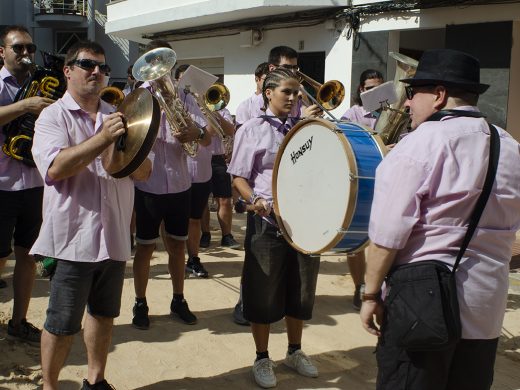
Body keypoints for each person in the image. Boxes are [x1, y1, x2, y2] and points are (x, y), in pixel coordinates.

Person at [360, 48, 520, 390]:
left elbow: (387, 236)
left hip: (422, 311)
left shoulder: (419, 145)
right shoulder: (509, 145)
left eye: (413, 94)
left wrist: (370, 294)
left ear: (439, 95)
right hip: (485, 309)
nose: (406, 104)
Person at [31, 40, 152, 390]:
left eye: (102, 66)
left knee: (104, 314)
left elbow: (143, 172)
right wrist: (102, 140)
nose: (96, 71)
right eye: (87, 64)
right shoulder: (52, 116)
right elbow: (55, 169)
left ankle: (95, 380)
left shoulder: (122, 114)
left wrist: (131, 154)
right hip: (73, 239)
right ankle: (50, 385)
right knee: (61, 322)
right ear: (67, 71)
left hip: (113, 235)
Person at [228, 67, 321, 388]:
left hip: (304, 224)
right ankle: (263, 357)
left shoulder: (307, 128)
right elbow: (239, 177)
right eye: (287, 92)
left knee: (302, 290)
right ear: (269, 93)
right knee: (262, 292)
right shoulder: (252, 129)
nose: (295, 98)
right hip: (266, 222)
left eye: (297, 92)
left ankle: (295, 351)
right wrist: (254, 199)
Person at [131, 40, 214, 330]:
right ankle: (140, 302)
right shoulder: (139, 98)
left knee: (178, 247)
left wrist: (196, 131)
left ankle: (178, 299)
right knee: (144, 249)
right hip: (148, 186)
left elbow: (207, 137)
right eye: (154, 68)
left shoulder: (186, 98)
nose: (159, 73)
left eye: (163, 67)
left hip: (180, 184)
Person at [0, 25, 54, 343]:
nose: (25, 54)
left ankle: (18, 322)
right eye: (18, 48)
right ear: (2, 51)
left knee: (27, 257)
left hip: (33, 183)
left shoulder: (41, 84)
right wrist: (24, 107)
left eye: (30, 49)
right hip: (2, 184)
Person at [342, 69, 384, 310]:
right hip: (364, 178)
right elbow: (347, 144)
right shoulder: (353, 114)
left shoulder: (394, 111)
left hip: (390, 180)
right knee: (356, 238)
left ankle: (379, 286)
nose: (374, 92)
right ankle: (359, 286)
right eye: (369, 88)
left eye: (378, 87)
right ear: (361, 90)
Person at [234, 62, 269, 128]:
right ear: (257, 79)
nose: (270, 83)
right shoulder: (245, 106)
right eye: (267, 79)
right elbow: (243, 134)